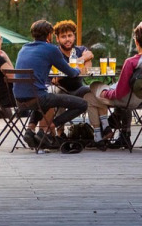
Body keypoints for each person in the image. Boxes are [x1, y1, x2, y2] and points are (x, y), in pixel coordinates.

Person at [83, 21, 142, 145]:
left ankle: (101, 134)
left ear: (136, 42)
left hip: (124, 101)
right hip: (140, 98)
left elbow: (120, 93)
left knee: (91, 91)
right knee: (92, 97)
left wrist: (107, 93)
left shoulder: (131, 62)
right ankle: (113, 133)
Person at [13, 19, 87, 149]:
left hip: (19, 99)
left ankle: (30, 130)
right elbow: (70, 73)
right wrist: (78, 69)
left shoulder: (24, 48)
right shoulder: (51, 49)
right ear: (49, 35)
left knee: (47, 95)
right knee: (82, 104)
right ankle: (48, 128)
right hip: (38, 99)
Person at [52, 19, 91, 97]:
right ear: (57, 39)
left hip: (79, 88)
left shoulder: (81, 50)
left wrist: (74, 62)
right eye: (63, 37)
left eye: (69, 36)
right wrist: (74, 67)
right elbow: (54, 80)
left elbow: (89, 58)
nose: (67, 39)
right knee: (57, 94)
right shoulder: (54, 52)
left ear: (74, 37)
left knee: (92, 91)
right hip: (59, 88)